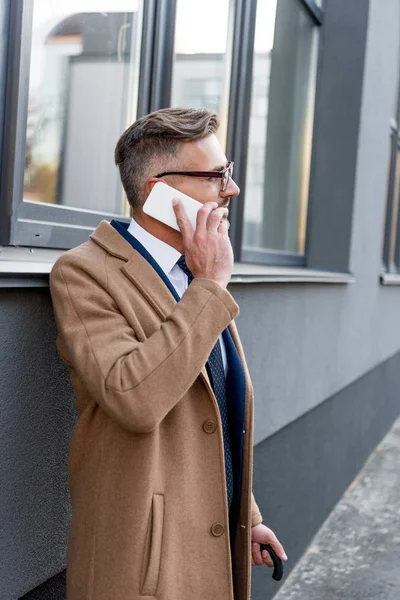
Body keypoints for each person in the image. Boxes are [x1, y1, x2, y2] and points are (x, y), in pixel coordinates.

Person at [50, 107, 287, 600]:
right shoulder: (86, 274)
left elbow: (212, 411)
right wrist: (209, 286)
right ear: (160, 194)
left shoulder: (195, 273)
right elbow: (134, 399)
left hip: (208, 545)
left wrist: (247, 516)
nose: (232, 190)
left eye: (230, 172)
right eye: (216, 176)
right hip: (145, 565)